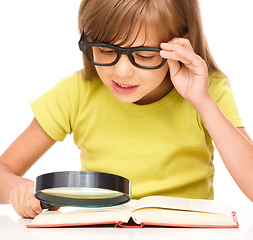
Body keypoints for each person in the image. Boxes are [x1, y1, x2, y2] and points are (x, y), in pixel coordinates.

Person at [0, 0, 252, 219]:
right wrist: (17, 189)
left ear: (180, 45)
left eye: (143, 55)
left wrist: (203, 103)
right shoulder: (76, 92)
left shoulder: (208, 91)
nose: (121, 72)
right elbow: (4, 170)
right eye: (106, 50)